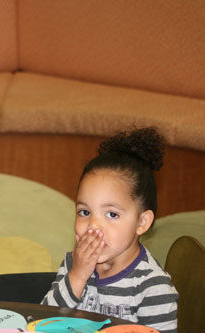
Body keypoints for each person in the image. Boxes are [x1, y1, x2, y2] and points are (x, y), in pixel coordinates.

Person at [40, 127, 178, 332]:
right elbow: (43, 322)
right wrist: (77, 276)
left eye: (112, 214)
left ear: (142, 222)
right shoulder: (74, 263)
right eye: (84, 212)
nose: (93, 226)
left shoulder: (153, 288)